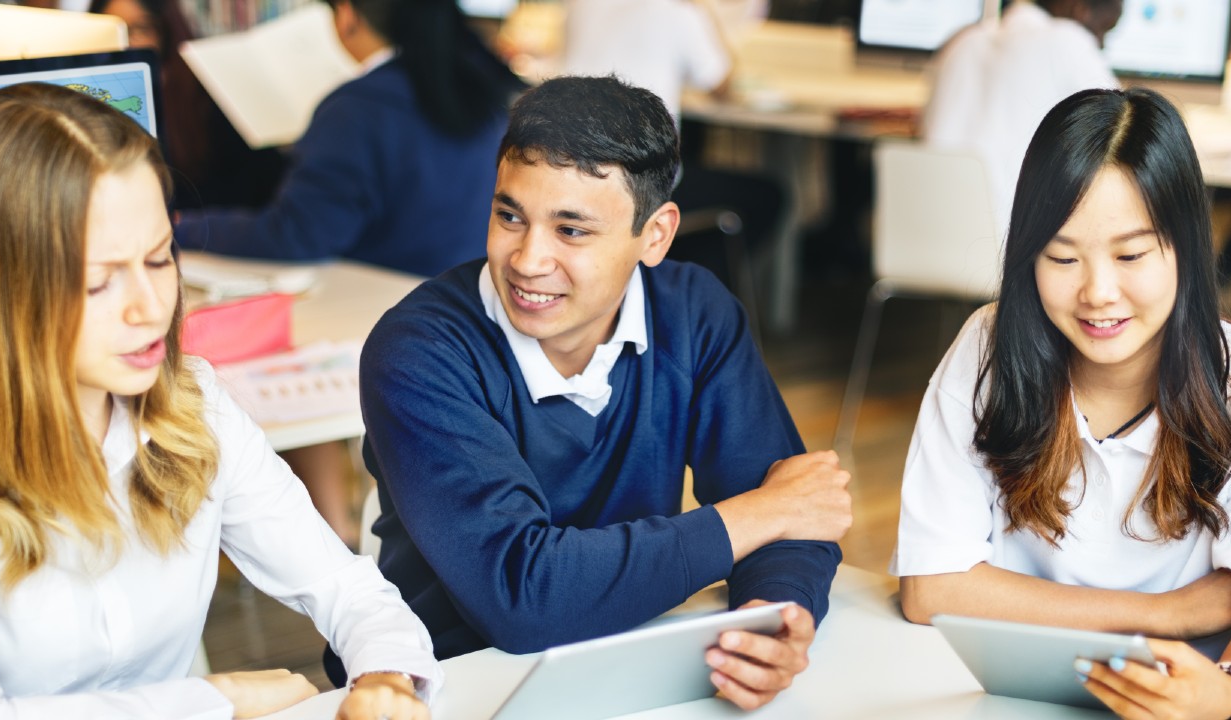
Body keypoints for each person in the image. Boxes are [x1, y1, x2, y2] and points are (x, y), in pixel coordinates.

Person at [0, 83, 440, 720]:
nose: (150, 308)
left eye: (159, 258)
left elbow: (343, 584)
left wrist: (387, 678)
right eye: (98, 281)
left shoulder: (191, 402)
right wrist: (212, 700)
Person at [337, 75, 851, 712]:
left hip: (630, 670)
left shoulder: (694, 314)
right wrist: (759, 514)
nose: (527, 259)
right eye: (509, 216)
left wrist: (774, 618)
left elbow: (797, 513)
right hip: (453, 688)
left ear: (656, 235)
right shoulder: (419, 351)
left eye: (571, 231)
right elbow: (523, 598)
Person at [893, 87, 1231, 719]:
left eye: (1131, 255)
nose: (1098, 292)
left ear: (1187, 247)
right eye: (1062, 256)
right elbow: (931, 587)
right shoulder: (987, 346)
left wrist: (1230, 690)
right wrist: (1163, 615)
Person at [174, 0, 523, 276]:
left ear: (348, 15)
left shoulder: (358, 106)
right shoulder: (480, 91)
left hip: (381, 304)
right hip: (465, 293)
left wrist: (182, 227)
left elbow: (299, 234)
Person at [560, 0, 785, 295]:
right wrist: (704, 10)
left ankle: (653, 282)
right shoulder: (681, 11)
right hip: (637, 189)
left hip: (569, 177)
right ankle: (683, 294)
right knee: (769, 196)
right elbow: (723, 84)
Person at [921, 0, 1124, 230]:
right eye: (1105, 28)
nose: (1101, 43)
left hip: (926, 237)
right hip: (1007, 246)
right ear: (1081, 10)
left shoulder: (960, 42)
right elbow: (1127, 130)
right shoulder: (1069, 41)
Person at [89, 0, 286, 210]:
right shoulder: (90, 99)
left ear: (165, 33)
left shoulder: (207, 97)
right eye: (116, 30)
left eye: (141, 29)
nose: (127, 42)